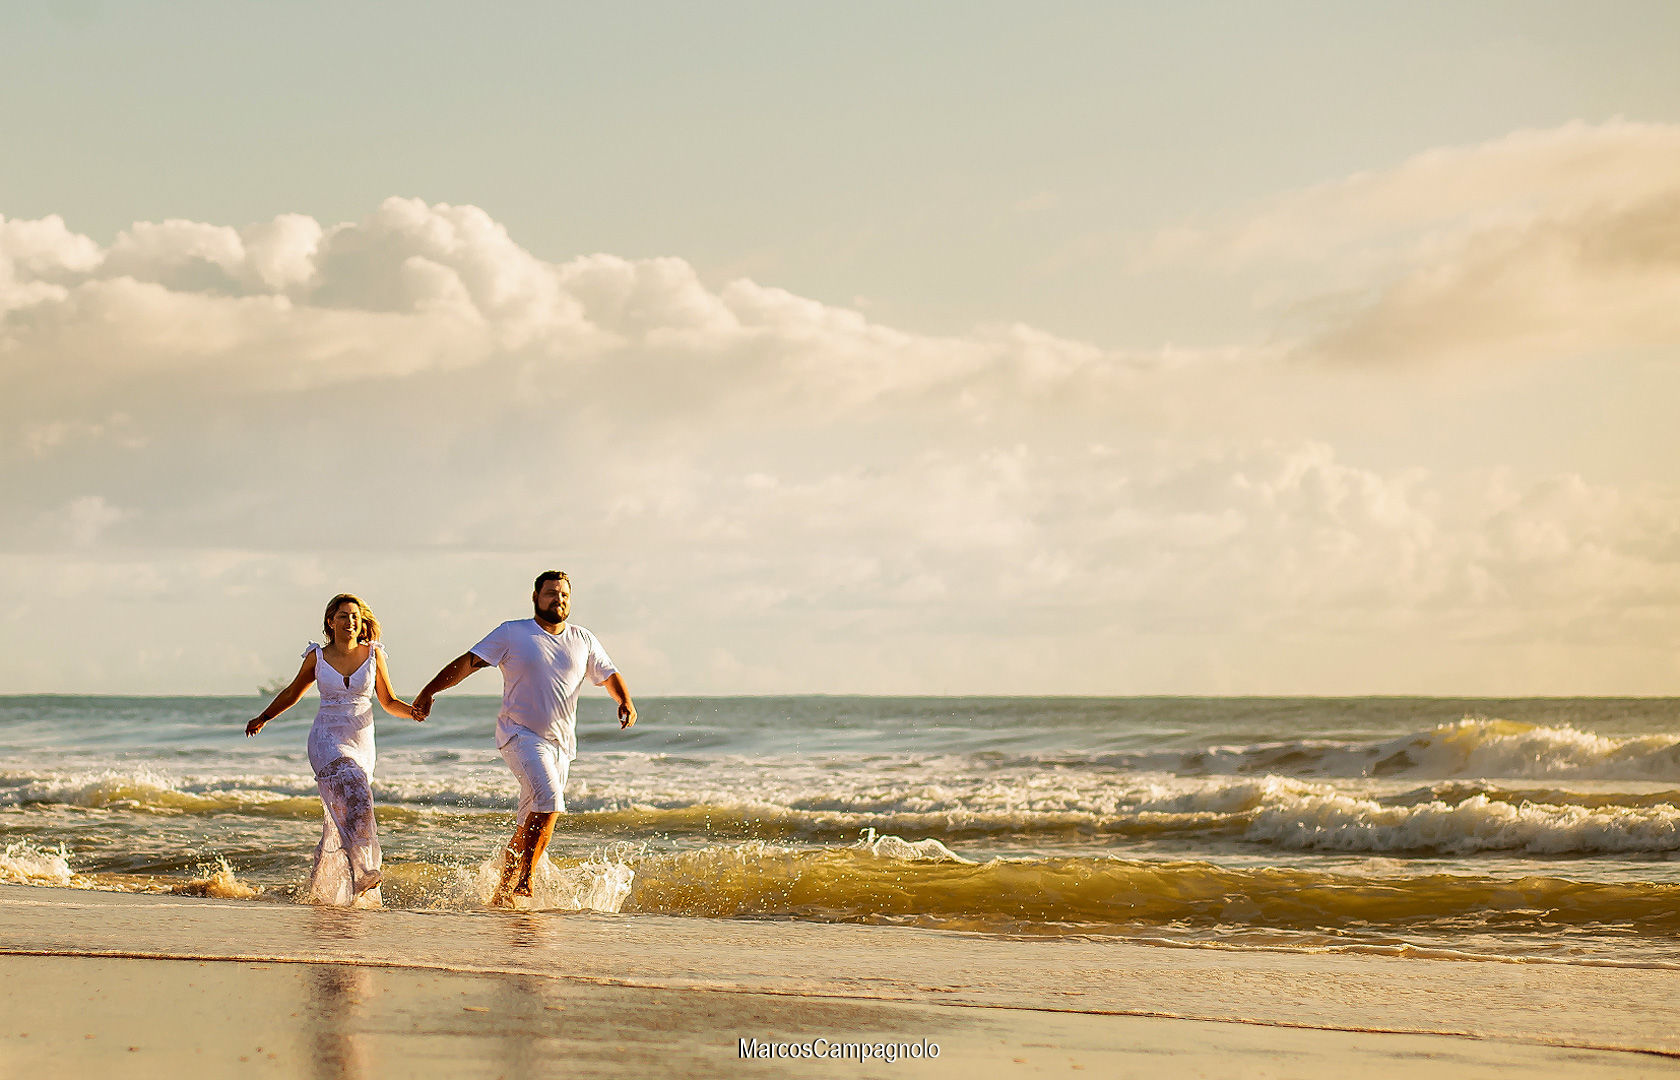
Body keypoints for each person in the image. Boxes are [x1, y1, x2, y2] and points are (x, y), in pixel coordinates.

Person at [413, 570, 636, 907]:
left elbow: (609, 673)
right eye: (550, 593)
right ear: (535, 597)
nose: (557, 600)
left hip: (561, 745)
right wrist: (430, 691)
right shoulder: (513, 633)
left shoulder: (583, 639)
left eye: (563, 595)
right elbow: (468, 663)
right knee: (550, 801)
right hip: (519, 734)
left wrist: (624, 700)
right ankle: (525, 881)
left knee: (529, 820)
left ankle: (501, 894)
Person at [247, 593, 420, 906]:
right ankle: (364, 869)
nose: (350, 621)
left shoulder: (373, 654)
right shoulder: (317, 656)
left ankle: (331, 890)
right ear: (330, 621)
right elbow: (292, 692)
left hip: (362, 739)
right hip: (327, 737)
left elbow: (389, 702)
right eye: (343, 616)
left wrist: (414, 711)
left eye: (355, 616)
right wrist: (264, 717)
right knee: (355, 789)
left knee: (351, 809)